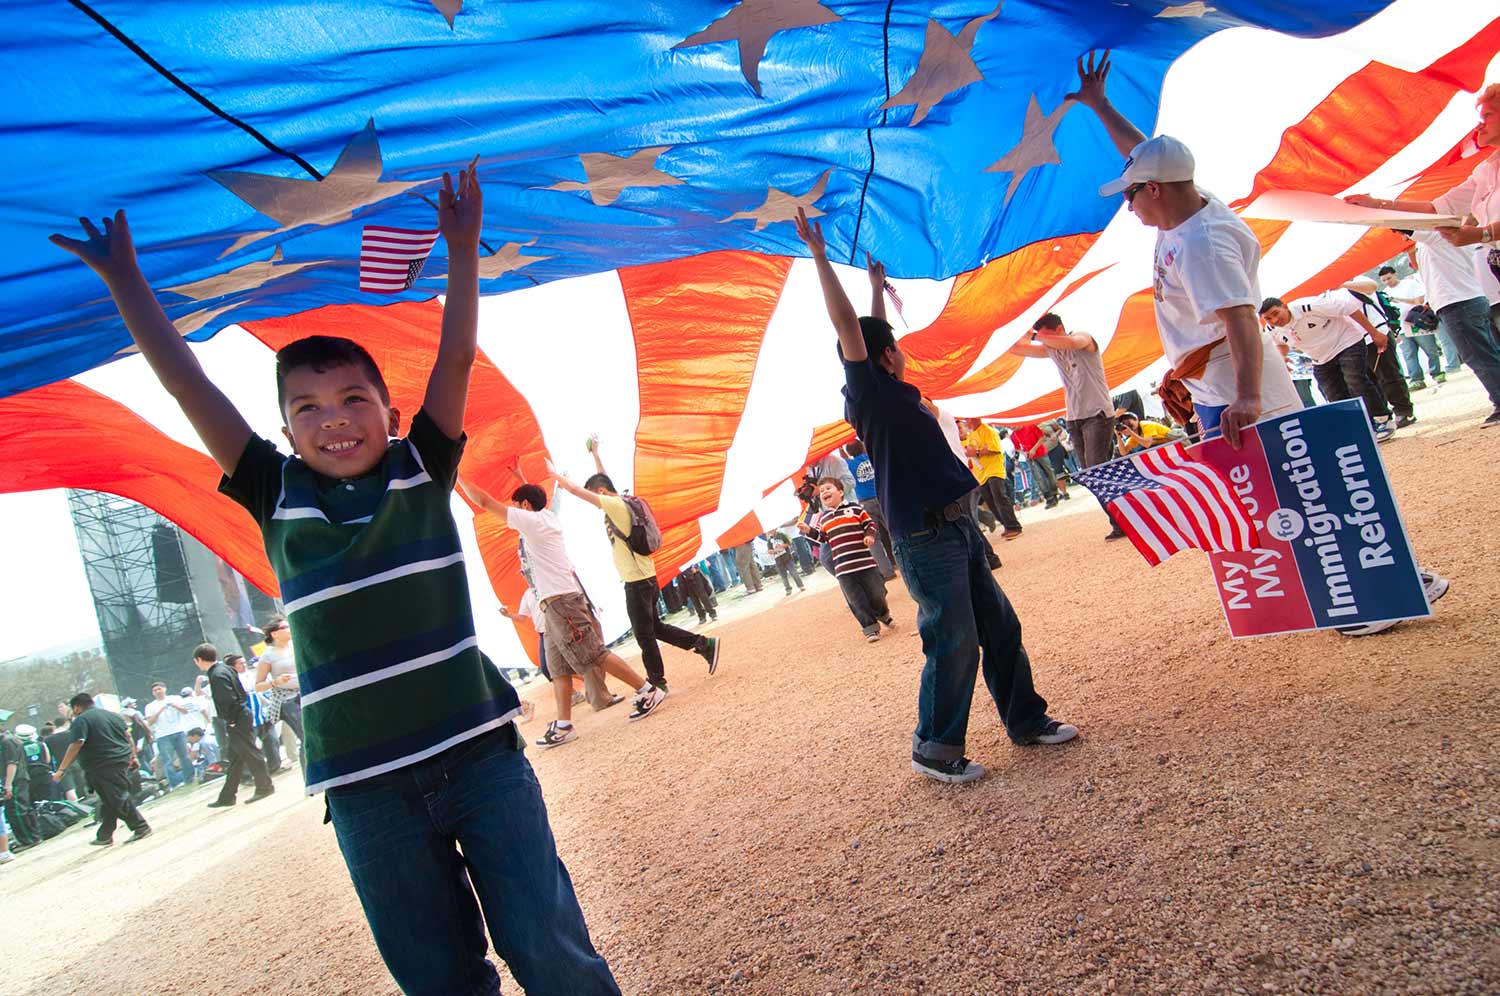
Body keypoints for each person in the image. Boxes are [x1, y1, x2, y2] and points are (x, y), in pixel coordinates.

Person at [52, 165, 621, 994]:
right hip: (365, 789)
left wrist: (461, 252)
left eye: (354, 398)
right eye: (308, 407)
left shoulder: (422, 467)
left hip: (479, 759)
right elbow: (187, 382)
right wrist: (127, 282)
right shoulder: (273, 491)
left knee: (552, 951)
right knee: (438, 978)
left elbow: (456, 354)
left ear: (390, 414)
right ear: (284, 429)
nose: (334, 419)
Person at [795, 208, 1077, 784]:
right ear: (882, 357)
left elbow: (867, 334)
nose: (898, 349)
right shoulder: (868, 394)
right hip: (925, 534)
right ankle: (935, 747)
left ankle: (1026, 719)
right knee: (954, 639)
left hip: (956, 527)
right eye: (891, 345)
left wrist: (875, 290)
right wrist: (822, 258)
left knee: (999, 626)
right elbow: (852, 331)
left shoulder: (890, 389)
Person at [1068, 50, 1302, 449]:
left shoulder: (1201, 244)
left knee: (1279, 487)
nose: (1129, 205)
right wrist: (1101, 105)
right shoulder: (1186, 203)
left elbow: (1241, 317)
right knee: (1250, 495)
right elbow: (1145, 154)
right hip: (1215, 382)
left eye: (1131, 194)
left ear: (1155, 189)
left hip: (1236, 388)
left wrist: (1247, 397)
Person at [1345, 83, 1500, 427]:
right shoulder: (1485, 170)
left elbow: (1442, 223)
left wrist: (1482, 233)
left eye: (1488, 115)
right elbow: (1437, 207)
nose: (1479, 124)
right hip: (1492, 273)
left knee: (1480, 354)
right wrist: (1378, 205)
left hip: (1465, 295)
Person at [461, 477, 656, 744]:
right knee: (558, 669)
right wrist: (520, 477)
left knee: (594, 653)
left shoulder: (536, 521)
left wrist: (457, 472)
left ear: (526, 506)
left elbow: (484, 502)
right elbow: (539, 500)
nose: (513, 510)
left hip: (561, 602)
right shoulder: (545, 519)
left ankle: (646, 690)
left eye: (516, 505)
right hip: (552, 605)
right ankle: (564, 726)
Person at [552, 438, 722, 696]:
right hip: (646, 577)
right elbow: (604, 479)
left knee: (644, 635)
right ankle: (703, 645)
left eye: (596, 494)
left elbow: (578, 491)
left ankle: (657, 681)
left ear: (600, 493)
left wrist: (555, 478)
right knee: (655, 628)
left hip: (637, 581)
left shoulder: (613, 504)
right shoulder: (621, 502)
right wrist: (596, 454)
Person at [1258, 291, 1395, 441]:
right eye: (1268, 318)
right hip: (1320, 358)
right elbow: (1281, 344)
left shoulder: (1308, 306)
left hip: (1346, 342)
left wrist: (1374, 333)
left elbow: (1349, 308)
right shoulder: (1271, 330)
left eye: (1276, 313)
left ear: (1285, 306)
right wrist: (1282, 358)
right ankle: (1358, 427)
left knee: (1355, 380)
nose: (1275, 319)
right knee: (1333, 394)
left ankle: (1383, 419)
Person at [801, 478, 896, 642]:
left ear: (841, 492)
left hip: (865, 563)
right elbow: (823, 538)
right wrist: (808, 530)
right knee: (856, 600)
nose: (824, 492)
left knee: (877, 592)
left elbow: (870, 525)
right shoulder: (824, 518)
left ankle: (883, 614)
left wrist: (869, 536)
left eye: (828, 488)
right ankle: (870, 628)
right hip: (843, 569)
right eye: (822, 490)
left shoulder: (855, 509)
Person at [51, 693, 151, 846]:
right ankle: (105, 834)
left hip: (102, 764)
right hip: (121, 759)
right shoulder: (113, 715)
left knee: (116, 797)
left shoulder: (81, 720)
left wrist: (61, 769)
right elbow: (127, 736)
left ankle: (140, 826)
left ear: (77, 707)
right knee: (108, 798)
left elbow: (76, 744)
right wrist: (133, 757)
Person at [1373, 264, 1445, 388]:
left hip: (1417, 322)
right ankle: (1416, 379)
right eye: (1384, 280)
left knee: (1430, 349)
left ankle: (1437, 372)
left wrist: (1398, 299)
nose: (1387, 282)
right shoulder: (1385, 293)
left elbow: (1419, 301)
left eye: (1389, 278)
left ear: (1395, 274)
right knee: (1409, 354)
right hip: (1401, 327)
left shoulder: (1410, 284)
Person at [958, 418, 1023, 540]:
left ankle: (1013, 526)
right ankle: (1006, 525)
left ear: (975, 419)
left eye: (967, 419)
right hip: (981, 475)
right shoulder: (972, 435)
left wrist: (976, 452)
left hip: (994, 470)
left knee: (999, 498)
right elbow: (970, 452)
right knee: (991, 502)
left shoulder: (987, 430)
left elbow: (993, 449)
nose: (966, 422)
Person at [254, 617, 304, 766]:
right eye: (284, 627)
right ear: (274, 634)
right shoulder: (268, 656)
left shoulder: (297, 646)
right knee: (306, 736)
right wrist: (275, 682)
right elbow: (258, 686)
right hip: (287, 700)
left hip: (305, 694)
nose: (289, 629)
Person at [843, 440, 897, 577]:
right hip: (882, 497)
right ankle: (903, 564)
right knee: (894, 533)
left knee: (873, 539)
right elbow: (867, 448)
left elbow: (843, 458)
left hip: (865, 504)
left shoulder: (849, 464)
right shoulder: (871, 457)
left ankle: (886, 572)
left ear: (849, 452)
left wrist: (839, 446)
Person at [144, 680, 193, 790]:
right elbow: (150, 722)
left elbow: (186, 711)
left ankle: (189, 778)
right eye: (155, 690)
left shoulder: (175, 698)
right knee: (168, 760)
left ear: (164, 689)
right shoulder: (150, 706)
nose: (157, 691)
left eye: (159, 689)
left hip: (179, 731)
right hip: (163, 735)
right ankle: (174, 783)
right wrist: (160, 710)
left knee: (184, 757)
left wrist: (175, 706)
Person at [1008, 422, 1063, 507]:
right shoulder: (1013, 435)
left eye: (1013, 425)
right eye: (1010, 427)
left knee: (1050, 472)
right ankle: (1048, 497)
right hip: (1030, 457)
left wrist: (1034, 449)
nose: (1012, 427)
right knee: (1038, 477)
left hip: (1041, 453)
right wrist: (1023, 453)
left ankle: (1054, 491)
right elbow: (1017, 448)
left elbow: (1042, 437)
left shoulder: (1030, 426)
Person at [1, 727, 39, 848]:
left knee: (17, 811)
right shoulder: (8, 740)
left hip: (16, 779)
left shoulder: (7, 741)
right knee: (19, 809)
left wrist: (8, 784)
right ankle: (32, 837)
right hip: (15, 779)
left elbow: (12, 763)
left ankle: (29, 839)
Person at [1115, 412, 1181, 454]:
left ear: (1137, 419)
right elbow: (1123, 452)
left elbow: (1147, 444)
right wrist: (1118, 436)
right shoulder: (1134, 436)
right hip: (1170, 446)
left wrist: (1131, 433)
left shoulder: (1145, 425)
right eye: (1124, 423)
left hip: (1177, 440)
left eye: (1128, 422)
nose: (1127, 425)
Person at [767, 530, 805, 595]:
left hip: (787, 557)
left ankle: (800, 585)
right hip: (778, 559)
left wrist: (782, 546)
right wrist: (772, 551)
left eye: (772, 530)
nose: (770, 531)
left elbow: (789, 543)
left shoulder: (781, 535)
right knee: (783, 576)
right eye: (769, 531)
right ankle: (788, 589)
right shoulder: (769, 540)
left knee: (793, 572)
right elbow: (769, 550)